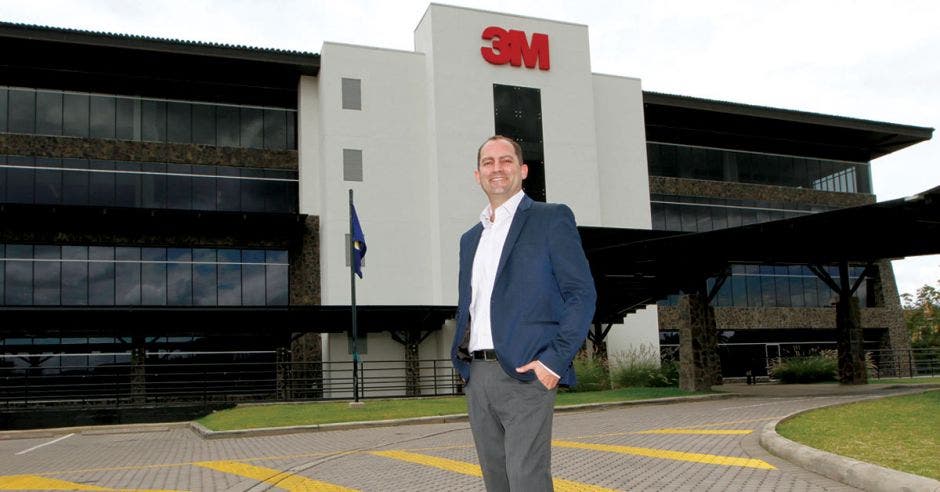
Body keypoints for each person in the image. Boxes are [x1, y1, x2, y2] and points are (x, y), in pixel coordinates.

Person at [451, 135, 597, 491]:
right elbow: (471, 305)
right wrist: (465, 367)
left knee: (526, 480)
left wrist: (553, 363)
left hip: (526, 373)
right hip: (478, 376)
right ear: (477, 175)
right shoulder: (470, 238)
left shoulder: (550, 219)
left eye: (506, 161)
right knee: (497, 483)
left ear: (523, 170)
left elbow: (581, 293)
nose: (497, 169)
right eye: (488, 162)